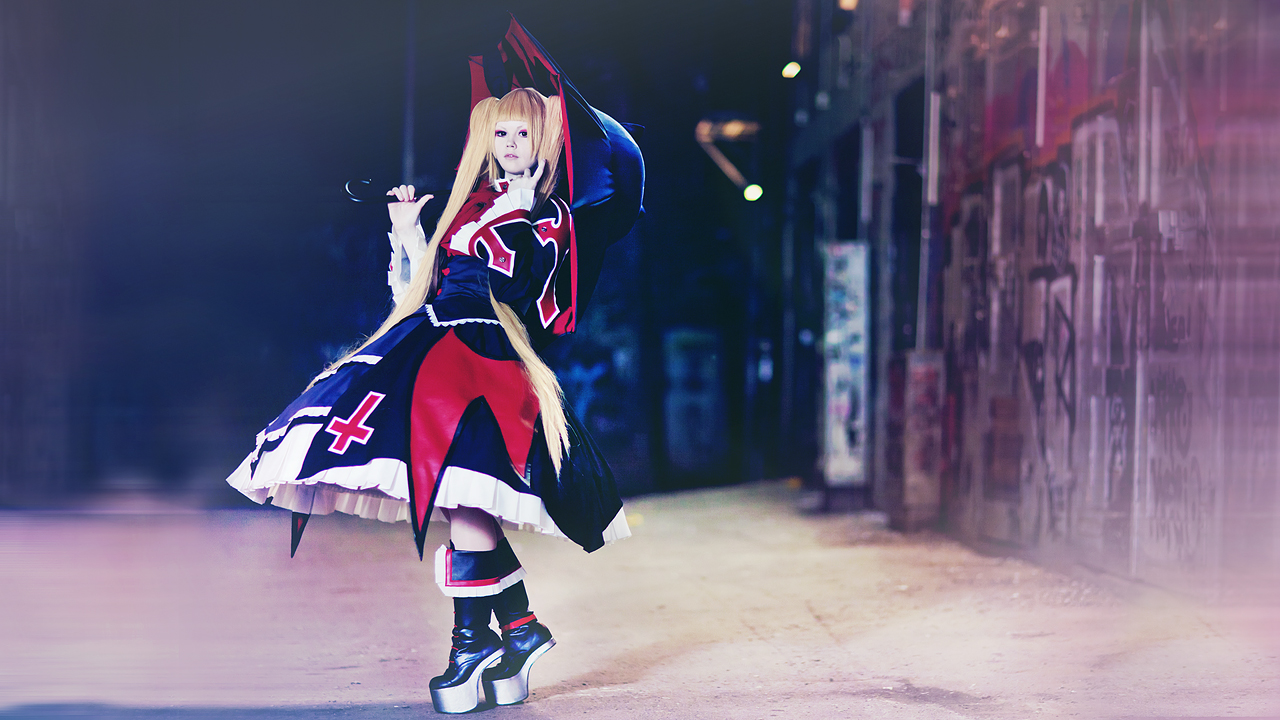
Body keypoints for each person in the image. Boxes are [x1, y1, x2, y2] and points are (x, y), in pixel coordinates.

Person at [225, 86, 631, 714]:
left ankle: (473, 645)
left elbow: (522, 291)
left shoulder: (550, 216)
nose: (511, 144)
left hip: (484, 353)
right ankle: (517, 631)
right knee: (456, 493)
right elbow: (420, 289)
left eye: (524, 133)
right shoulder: (472, 204)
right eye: (501, 133)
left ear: (546, 141)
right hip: (433, 337)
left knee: (461, 490)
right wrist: (408, 230)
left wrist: (521, 213)